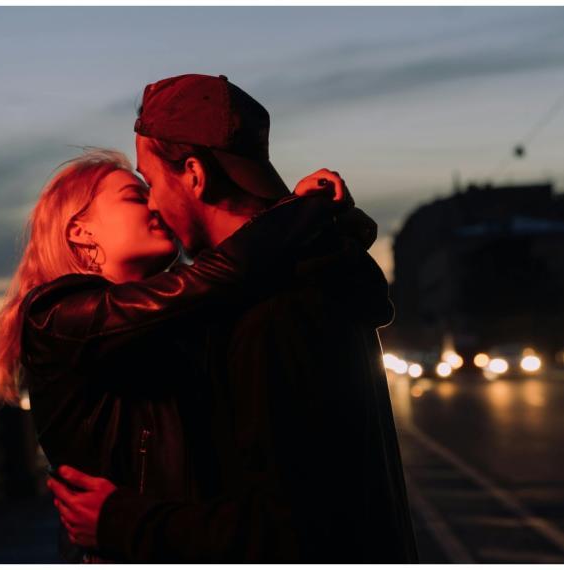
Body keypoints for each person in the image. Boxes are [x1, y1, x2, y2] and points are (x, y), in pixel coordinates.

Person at [48, 74, 418, 562]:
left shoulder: (271, 310)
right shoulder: (308, 278)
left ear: (195, 174)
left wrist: (120, 521)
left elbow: (293, 535)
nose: (154, 203)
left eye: (152, 181)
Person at [0, 147, 355, 562]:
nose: (155, 203)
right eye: (134, 196)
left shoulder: (175, 322)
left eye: (151, 191)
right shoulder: (55, 315)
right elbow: (216, 277)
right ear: (80, 231)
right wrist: (296, 212)